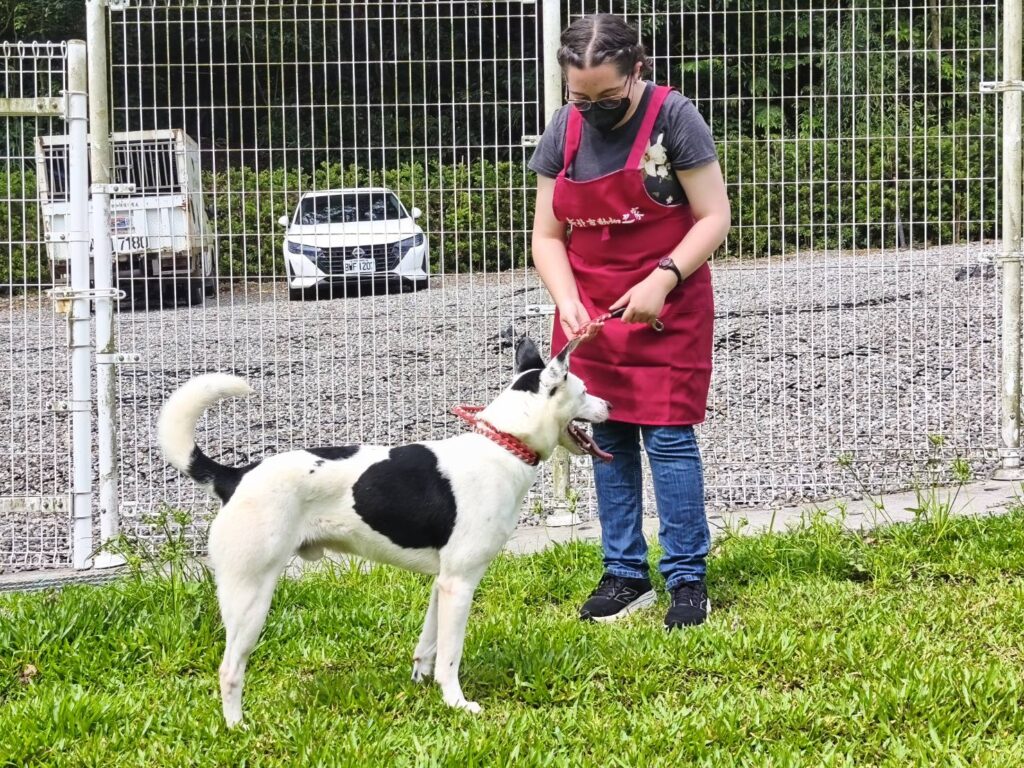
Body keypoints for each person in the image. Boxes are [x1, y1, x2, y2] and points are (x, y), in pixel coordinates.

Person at [529, 14, 731, 629]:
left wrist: (663, 278)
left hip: (668, 306)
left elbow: (714, 216)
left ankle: (687, 578)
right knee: (607, 439)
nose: (592, 111)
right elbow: (547, 236)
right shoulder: (563, 129)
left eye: (607, 97)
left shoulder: (674, 117)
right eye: (580, 98)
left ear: (637, 72)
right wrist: (566, 299)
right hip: (589, 312)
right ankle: (624, 573)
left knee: (668, 439)